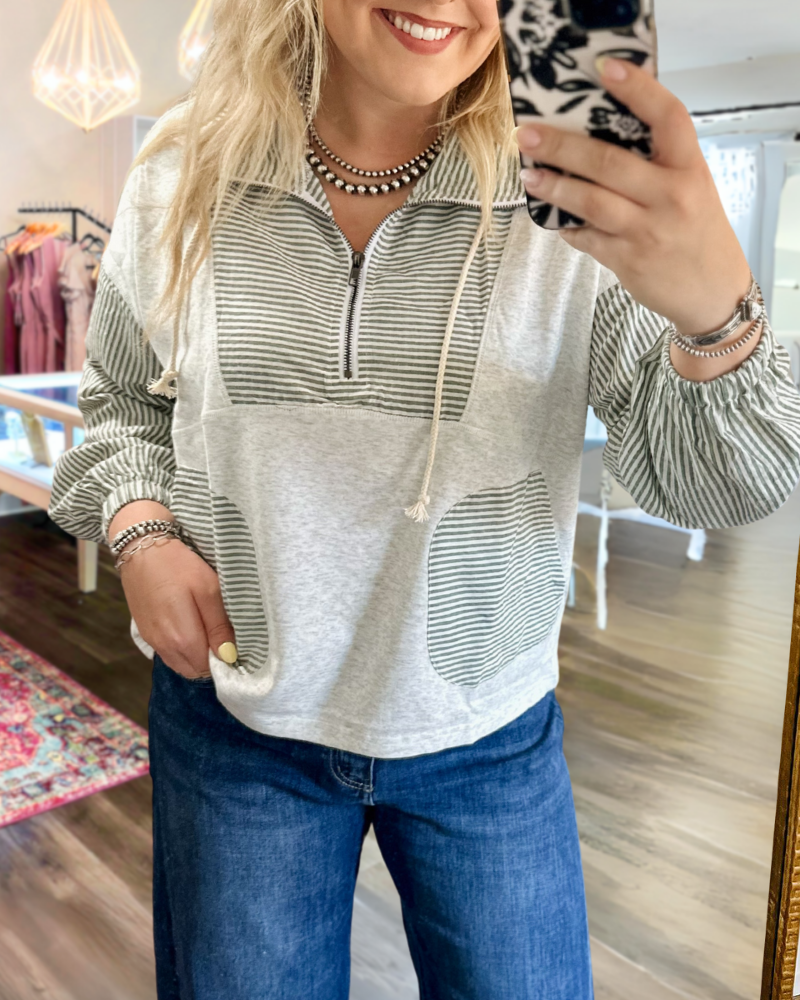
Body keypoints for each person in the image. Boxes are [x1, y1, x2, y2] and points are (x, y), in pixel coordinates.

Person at [49, 0, 800, 995]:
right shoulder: (181, 169)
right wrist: (140, 531)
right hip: (236, 720)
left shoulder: (573, 188)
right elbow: (119, 401)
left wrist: (716, 314)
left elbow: (712, 485)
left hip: (486, 732)